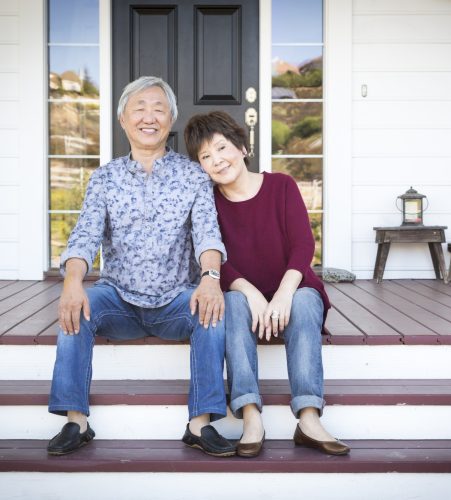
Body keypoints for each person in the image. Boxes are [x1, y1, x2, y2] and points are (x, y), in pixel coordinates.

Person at [47, 77, 236, 458]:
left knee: (213, 309)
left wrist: (211, 279)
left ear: (170, 120)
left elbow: (208, 236)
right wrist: (71, 280)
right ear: (122, 119)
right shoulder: (104, 178)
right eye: (140, 108)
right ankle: (75, 421)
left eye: (158, 109)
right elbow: (84, 235)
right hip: (118, 298)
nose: (149, 117)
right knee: (75, 306)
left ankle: (200, 424)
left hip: (175, 302)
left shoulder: (194, 176)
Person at [184, 111, 350, 458]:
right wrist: (249, 291)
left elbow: (303, 246)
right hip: (246, 296)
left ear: (242, 147)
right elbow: (215, 260)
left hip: (293, 287)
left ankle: (308, 418)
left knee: (305, 301)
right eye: (205, 156)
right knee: (230, 302)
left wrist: (285, 293)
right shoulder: (209, 203)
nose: (217, 160)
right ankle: (250, 414)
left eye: (221, 148)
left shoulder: (281, 186)